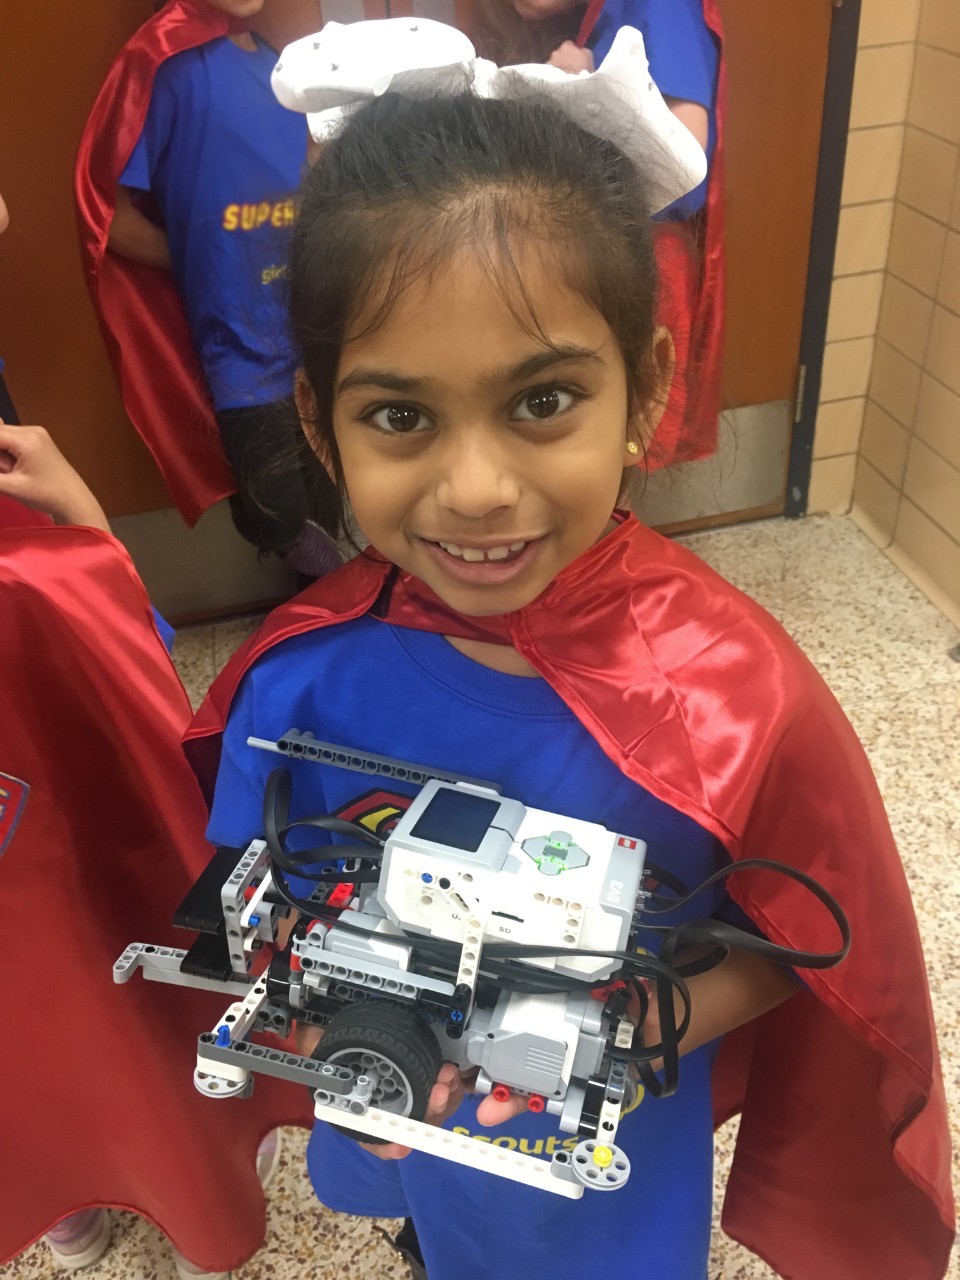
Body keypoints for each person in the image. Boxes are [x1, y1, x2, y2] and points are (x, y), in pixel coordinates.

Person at [183, 24, 952, 1280]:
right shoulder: (302, 675)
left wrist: (616, 1027)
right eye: (400, 414)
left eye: (542, 400)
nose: (476, 487)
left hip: (604, 1176)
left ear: (644, 390)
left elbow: (804, 939)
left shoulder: (731, 695)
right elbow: (265, 902)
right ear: (321, 427)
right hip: (411, 1128)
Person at [0, 422, 311, 1278]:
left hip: (54, 724)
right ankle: (164, 1184)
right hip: (46, 635)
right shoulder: (35, 579)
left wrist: (79, 537)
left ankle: (83, 1189)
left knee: (88, 984)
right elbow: (127, 648)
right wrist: (84, 530)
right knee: (122, 972)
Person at [76, 0, 338, 569]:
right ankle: (332, 589)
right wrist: (201, 259)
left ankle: (332, 619)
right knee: (279, 513)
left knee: (330, 495)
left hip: (306, 328)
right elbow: (110, 217)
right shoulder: (163, 65)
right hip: (237, 342)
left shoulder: (279, 64)